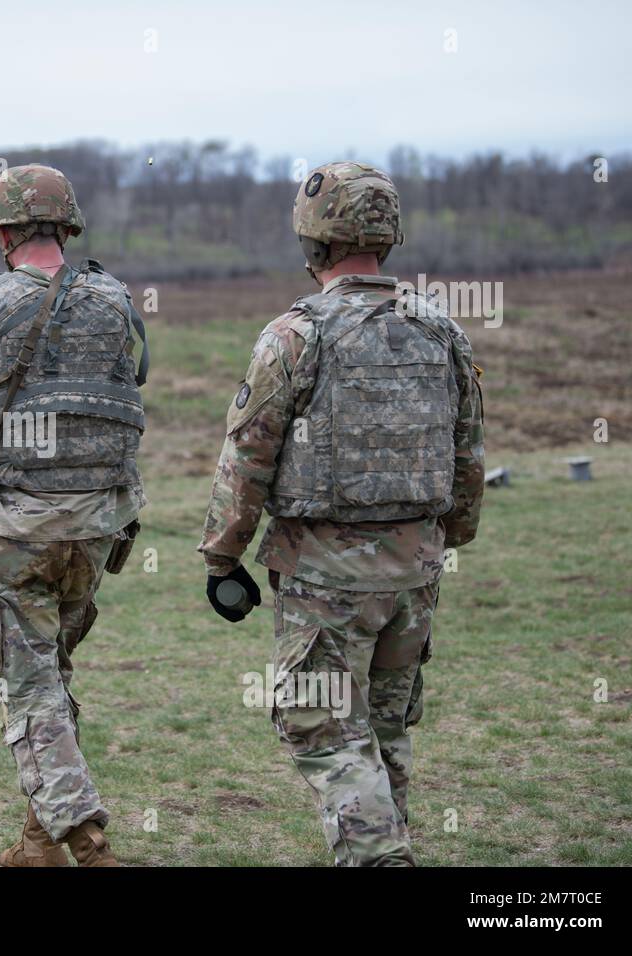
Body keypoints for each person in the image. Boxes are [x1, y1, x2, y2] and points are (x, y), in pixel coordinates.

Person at [198, 161, 485, 866]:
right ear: (388, 236)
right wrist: (446, 539)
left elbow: (248, 456)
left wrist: (222, 554)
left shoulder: (296, 335)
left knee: (326, 733)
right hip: (415, 573)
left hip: (325, 576)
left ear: (313, 239)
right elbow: (468, 458)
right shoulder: (442, 331)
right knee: (384, 736)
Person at [0, 164, 149, 866]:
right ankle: (37, 845)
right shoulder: (115, 300)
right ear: (67, 227)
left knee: (29, 690)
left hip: (20, 529)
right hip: (97, 531)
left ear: (4, 231)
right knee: (52, 676)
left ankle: (82, 833)